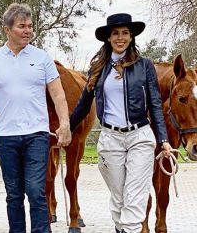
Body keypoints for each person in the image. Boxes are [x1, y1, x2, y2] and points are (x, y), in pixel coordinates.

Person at [69, 13, 173, 233]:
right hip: (110, 139)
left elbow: (155, 104)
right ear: (108, 38)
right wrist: (66, 129)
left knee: (134, 197)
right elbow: (83, 104)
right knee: (119, 199)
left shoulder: (145, 66)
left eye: (125, 33)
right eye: (115, 33)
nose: (120, 37)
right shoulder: (99, 68)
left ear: (131, 36)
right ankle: (122, 229)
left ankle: (128, 229)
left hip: (139, 136)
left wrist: (163, 139)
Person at [0, 3, 72, 233]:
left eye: (30, 26)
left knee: (36, 190)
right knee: (14, 195)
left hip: (36, 135)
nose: (28, 30)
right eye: (22, 26)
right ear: (7, 29)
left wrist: (65, 124)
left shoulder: (42, 58)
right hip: (6, 138)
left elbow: (58, 95)